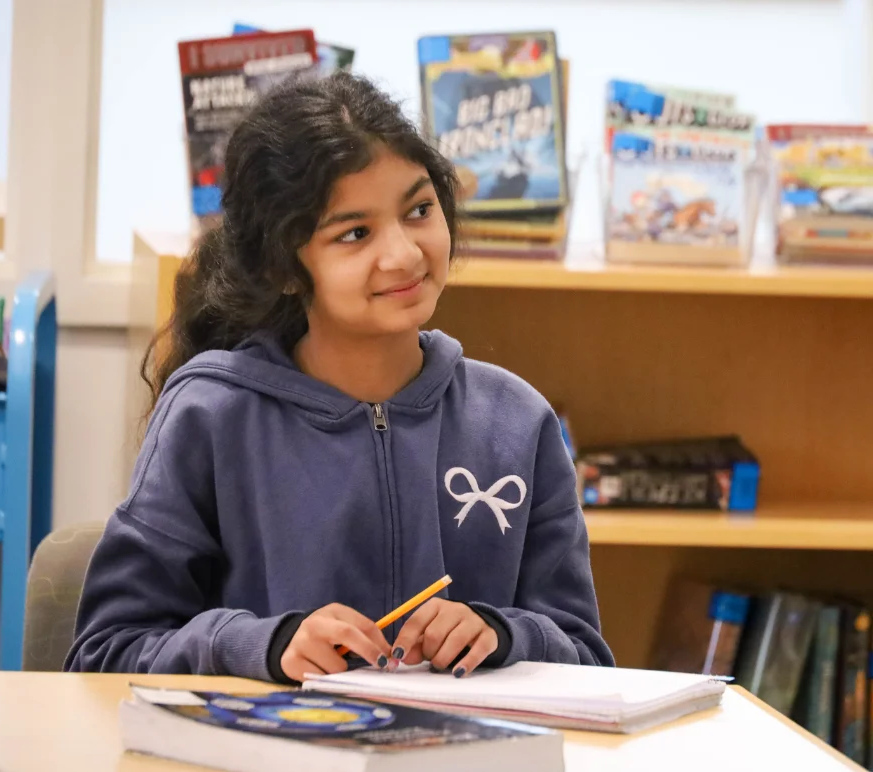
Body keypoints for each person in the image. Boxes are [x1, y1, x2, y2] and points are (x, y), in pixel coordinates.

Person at [65, 72, 613, 683]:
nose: (404, 253)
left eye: (419, 209)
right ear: (285, 268)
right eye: (355, 233)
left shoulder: (516, 420)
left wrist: (503, 633)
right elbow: (105, 652)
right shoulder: (210, 415)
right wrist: (265, 645)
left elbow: (586, 655)